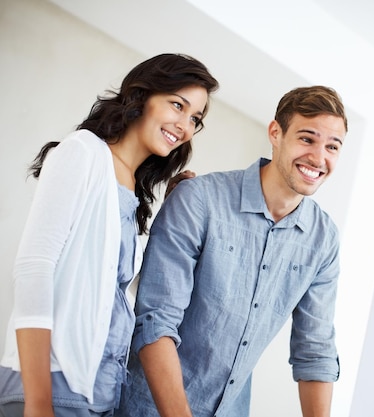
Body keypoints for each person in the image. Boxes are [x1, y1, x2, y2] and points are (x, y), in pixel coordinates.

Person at [0, 53, 219, 417]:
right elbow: (34, 268)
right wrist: (38, 402)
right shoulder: (83, 152)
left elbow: (108, 294)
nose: (185, 125)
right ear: (142, 95)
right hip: (53, 390)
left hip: (99, 395)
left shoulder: (131, 191)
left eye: (195, 118)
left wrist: (172, 213)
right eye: (177, 105)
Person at [116, 85, 348, 417]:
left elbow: (316, 351)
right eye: (307, 139)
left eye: (332, 146)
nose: (318, 157)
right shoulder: (199, 200)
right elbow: (155, 322)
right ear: (275, 133)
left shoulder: (323, 240)